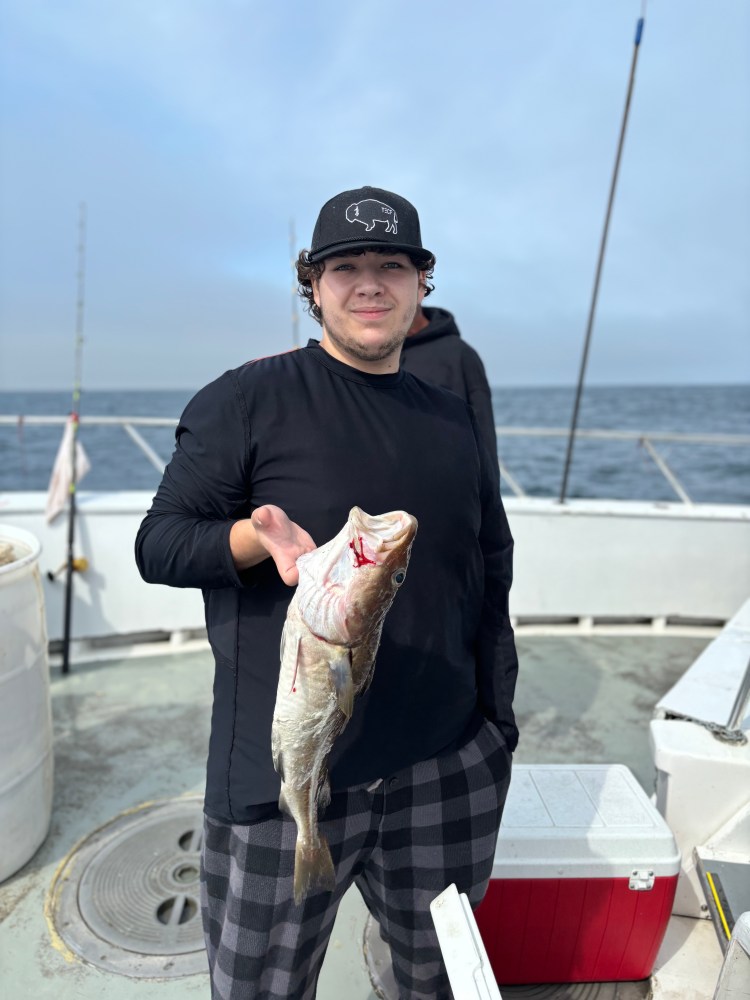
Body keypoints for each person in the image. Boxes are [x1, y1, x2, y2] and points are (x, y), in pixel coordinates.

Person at [135, 184, 518, 1000]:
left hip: (445, 767)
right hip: (285, 783)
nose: (370, 283)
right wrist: (251, 542)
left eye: (393, 265)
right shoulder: (246, 399)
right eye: (347, 266)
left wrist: (497, 729)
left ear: (422, 286)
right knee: (259, 988)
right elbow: (158, 543)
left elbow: (490, 563)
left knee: (439, 981)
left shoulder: (452, 418)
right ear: (312, 285)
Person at [401, 305, 499, 474]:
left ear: (421, 286)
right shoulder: (364, 356)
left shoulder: (460, 355)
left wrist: (488, 498)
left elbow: (484, 437)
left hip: (441, 483)